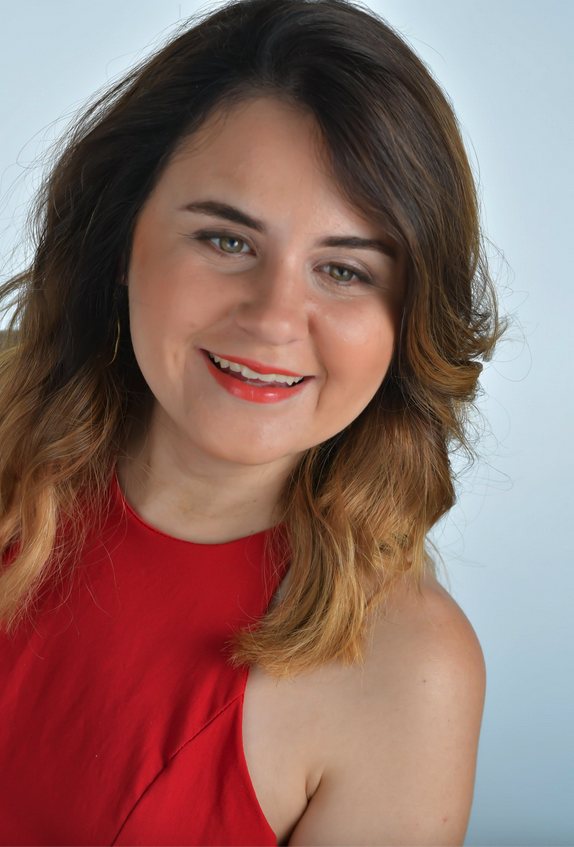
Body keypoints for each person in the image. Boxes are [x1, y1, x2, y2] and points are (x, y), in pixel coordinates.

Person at [0, 0, 504, 843]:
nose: (274, 317)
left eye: (344, 269)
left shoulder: (411, 671)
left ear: (407, 321)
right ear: (121, 240)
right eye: (228, 241)